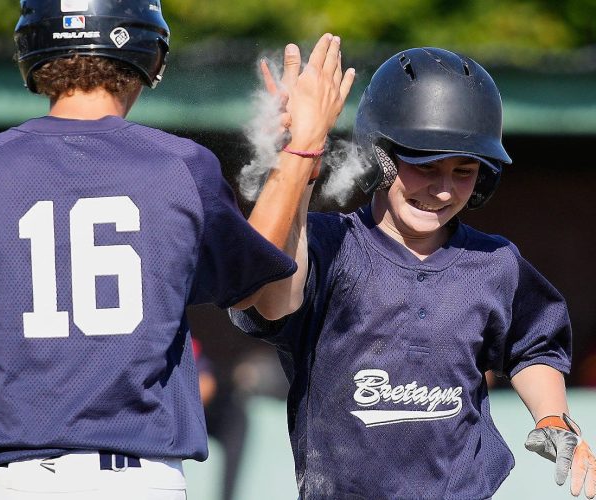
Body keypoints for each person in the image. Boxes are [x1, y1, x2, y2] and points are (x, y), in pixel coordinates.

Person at [0, 3, 346, 499]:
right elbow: (257, 283)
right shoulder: (179, 166)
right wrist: (302, 146)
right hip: (136, 481)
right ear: (147, 53)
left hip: (3, 483)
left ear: (34, 51)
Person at [231, 46, 596, 498]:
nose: (443, 190)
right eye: (425, 167)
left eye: (464, 171)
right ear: (382, 158)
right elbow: (271, 298)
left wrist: (552, 416)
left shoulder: (494, 262)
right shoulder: (330, 245)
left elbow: (532, 347)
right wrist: (299, 154)